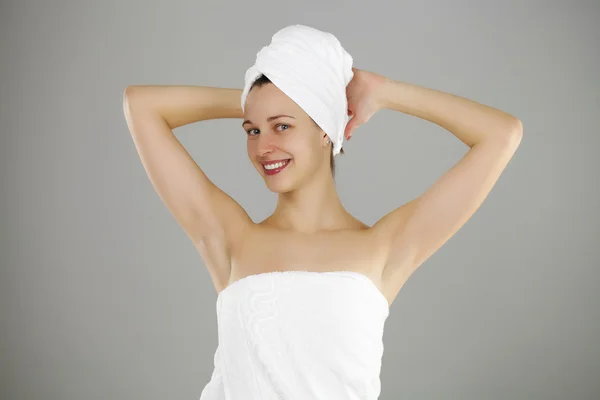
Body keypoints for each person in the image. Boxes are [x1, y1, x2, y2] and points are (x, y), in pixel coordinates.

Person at [123, 25, 522, 400]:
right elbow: (140, 106)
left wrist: (380, 93)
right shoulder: (231, 239)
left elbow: (501, 134)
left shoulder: (383, 247)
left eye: (282, 127)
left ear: (325, 129)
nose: (262, 147)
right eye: (252, 130)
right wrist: (267, 98)